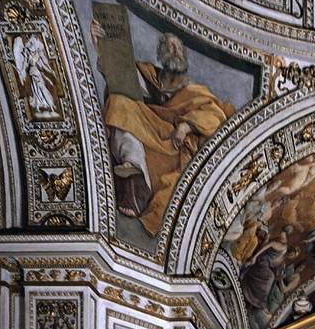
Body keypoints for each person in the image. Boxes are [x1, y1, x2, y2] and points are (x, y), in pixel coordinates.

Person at [90, 22, 234, 233]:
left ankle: (138, 188)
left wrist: (185, 125)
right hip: (148, 128)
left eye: (178, 48)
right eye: (170, 47)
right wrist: (100, 46)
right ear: (161, 54)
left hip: (172, 143)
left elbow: (215, 115)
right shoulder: (148, 75)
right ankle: (135, 172)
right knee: (118, 102)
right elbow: (120, 74)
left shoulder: (193, 89)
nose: (175, 51)